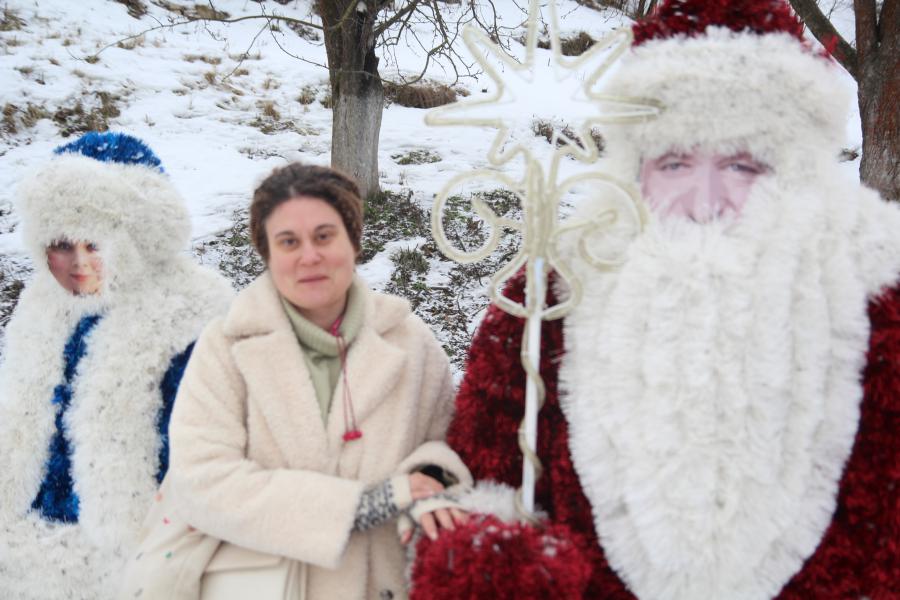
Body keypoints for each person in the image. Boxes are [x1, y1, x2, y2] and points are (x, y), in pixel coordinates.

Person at [411, 1, 900, 599]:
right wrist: (499, 563)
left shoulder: (875, 296)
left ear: (796, 173)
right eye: (674, 163)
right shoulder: (554, 295)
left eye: (742, 166)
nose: (705, 201)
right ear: (635, 170)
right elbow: (479, 478)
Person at [152, 163, 471, 599]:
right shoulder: (225, 347)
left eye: (324, 236)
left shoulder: (410, 340)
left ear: (353, 240)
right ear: (266, 253)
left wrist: (430, 483)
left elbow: (447, 443)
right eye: (288, 242)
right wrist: (364, 505)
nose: (309, 256)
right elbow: (202, 481)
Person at [0, 132, 234, 599]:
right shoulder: (40, 307)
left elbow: (212, 449)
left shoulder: (188, 310)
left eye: (95, 243)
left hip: (138, 555)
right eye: (62, 244)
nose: (78, 263)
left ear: (134, 237)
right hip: (20, 545)